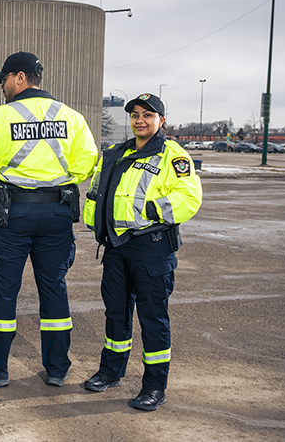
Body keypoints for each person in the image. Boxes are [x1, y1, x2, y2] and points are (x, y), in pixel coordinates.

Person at [0, 51, 98, 388]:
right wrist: (55, 180)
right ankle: (57, 369)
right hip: (56, 215)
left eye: (4, 79)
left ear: (20, 78)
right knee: (54, 291)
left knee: (4, 294)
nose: (2, 87)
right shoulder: (72, 118)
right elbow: (87, 162)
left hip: (11, 215)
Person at [81, 93, 202, 410]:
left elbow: (189, 198)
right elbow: (97, 191)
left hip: (152, 249)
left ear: (161, 121)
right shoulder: (115, 152)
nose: (140, 120)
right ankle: (110, 372)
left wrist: (150, 209)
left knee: (153, 319)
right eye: (135, 114)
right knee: (116, 315)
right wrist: (95, 224)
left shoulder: (172, 156)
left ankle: (154, 387)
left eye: (148, 115)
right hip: (116, 248)